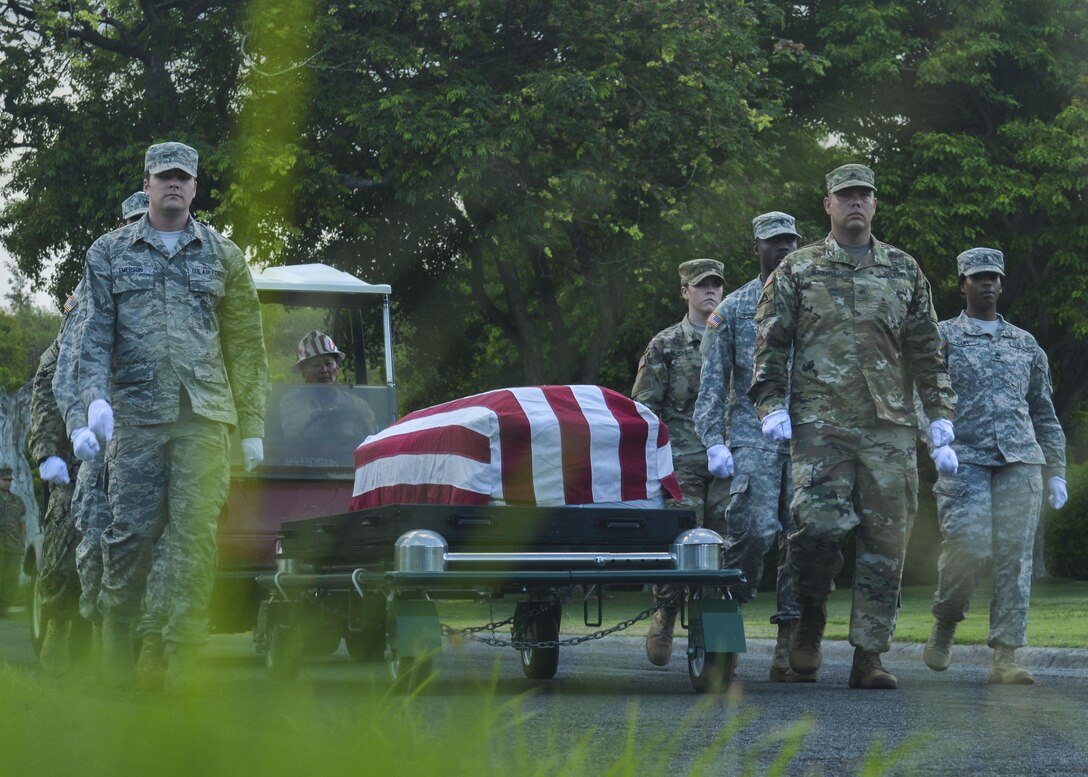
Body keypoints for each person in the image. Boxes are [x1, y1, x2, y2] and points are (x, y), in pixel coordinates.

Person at [56, 141, 270, 688]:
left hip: (204, 418)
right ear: (147, 184)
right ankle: (115, 656)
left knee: (196, 540)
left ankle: (180, 667)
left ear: (195, 187)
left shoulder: (224, 255)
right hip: (137, 419)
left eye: (182, 177)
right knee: (129, 537)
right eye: (163, 176)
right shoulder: (108, 252)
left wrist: (252, 427)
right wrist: (91, 402)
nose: (173, 184)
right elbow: (92, 335)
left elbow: (246, 346)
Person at [749, 163, 957, 689]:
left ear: (875, 203)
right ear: (829, 205)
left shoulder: (904, 270)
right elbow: (770, 345)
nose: (856, 203)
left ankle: (869, 655)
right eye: (846, 196)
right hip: (821, 424)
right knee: (816, 530)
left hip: (889, 426)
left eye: (864, 194)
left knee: (886, 542)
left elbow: (927, 352)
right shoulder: (798, 269)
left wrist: (941, 418)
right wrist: (771, 405)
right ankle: (809, 619)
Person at [921, 248, 1067, 684]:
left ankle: (1005, 656)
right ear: (962, 284)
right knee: (969, 545)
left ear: (1002, 285)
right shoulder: (941, 337)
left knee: (1014, 558)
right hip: (963, 459)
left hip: (1020, 461)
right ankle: (946, 622)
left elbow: (1043, 411)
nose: (987, 284)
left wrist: (1056, 468)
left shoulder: (1025, 344)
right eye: (977, 277)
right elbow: (920, 396)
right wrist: (935, 440)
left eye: (993, 278)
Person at [694, 211, 805, 682]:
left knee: (807, 538)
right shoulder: (735, 308)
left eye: (789, 241)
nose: (782, 249)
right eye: (773, 242)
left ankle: (789, 646)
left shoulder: (816, 302)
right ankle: (722, 625)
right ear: (756, 248)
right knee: (755, 532)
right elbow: (712, 387)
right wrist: (713, 442)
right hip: (751, 435)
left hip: (809, 439)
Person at [632, 258, 730, 667]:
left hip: (726, 460)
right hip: (680, 462)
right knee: (680, 542)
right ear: (685, 292)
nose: (710, 292)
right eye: (701, 285)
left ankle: (718, 638)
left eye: (716, 285)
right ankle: (666, 609)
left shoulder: (733, 337)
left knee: (725, 546)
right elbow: (643, 410)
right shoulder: (665, 344)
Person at [278, 330, 378, 462]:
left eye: (328, 363)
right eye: (316, 365)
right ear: (304, 373)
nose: (324, 370)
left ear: (337, 369)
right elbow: (294, 434)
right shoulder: (291, 402)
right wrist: (334, 416)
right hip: (306, 468)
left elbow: (374, 440)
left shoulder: (358, 405)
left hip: (349, 469)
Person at [0, 467, 26, 618]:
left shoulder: (17, 501)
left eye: (10, 480)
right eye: (5, 480)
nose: (8, 483)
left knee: (11, 579)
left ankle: (4, 609)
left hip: (13, 546)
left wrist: (22, 541)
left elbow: (22, 523)